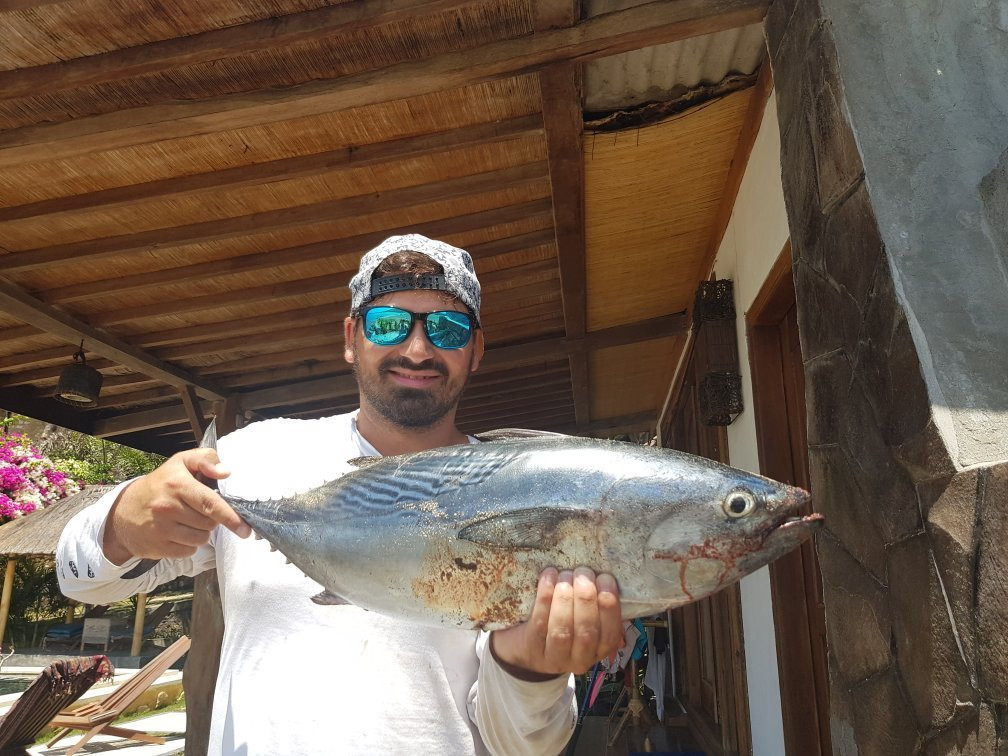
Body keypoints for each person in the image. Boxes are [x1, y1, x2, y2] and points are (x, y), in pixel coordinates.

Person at [56, 234, 625, 755]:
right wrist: (122, 521)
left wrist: (530, 669)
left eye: (448, 329)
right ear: (352, 338)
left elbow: (526, 746)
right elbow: (80, 580)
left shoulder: (518, 494)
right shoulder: (253, 457)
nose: (418, 350)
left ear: (475, 349)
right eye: (388, 324)